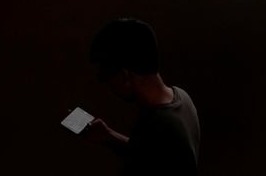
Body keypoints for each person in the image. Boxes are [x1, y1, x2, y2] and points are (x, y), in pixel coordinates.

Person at [84, 18, 200, 176]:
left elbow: (147, 156)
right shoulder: (181, 97)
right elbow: (152, 155)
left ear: (125, 76)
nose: (108, 87)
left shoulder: (157, 125)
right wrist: (109, 136)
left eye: (106, 78)